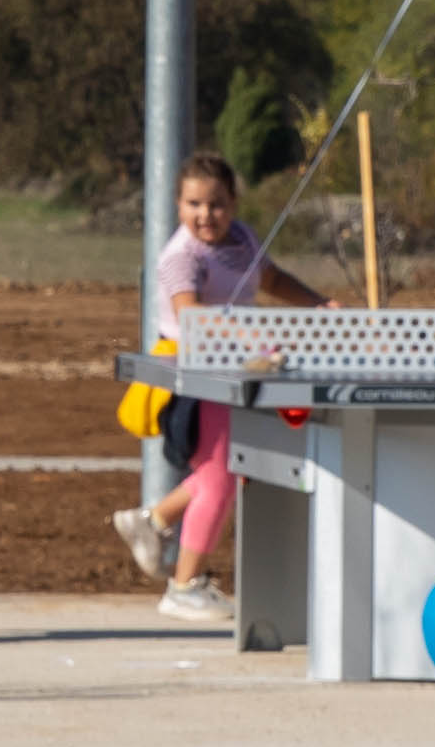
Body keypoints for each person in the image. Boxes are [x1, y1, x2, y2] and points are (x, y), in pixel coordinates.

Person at [113, 152, 322, 616]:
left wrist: (317, 303)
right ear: (178, 205)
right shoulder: (180, 257)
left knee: (223, 472)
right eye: (194, 204)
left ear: (234, 203)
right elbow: (191, 318)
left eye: (217, 204)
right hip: (195, 376)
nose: (206, 215)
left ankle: (155, 520)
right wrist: (250, 334)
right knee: (221, 477)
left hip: (235, 371)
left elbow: (271, 278)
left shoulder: (243, 239)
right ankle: (184, 585)